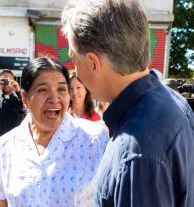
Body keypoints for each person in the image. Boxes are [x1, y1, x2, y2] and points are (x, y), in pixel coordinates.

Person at [61, 0, 194, 206]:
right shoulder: (171, 100)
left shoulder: (136, 151)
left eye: (73, 57)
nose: (74, 68)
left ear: (93, 62)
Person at [0, 57, 109, 206]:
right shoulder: (6, 147)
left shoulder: (95, 140)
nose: (54, 98)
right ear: (25, 99)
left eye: (62, 89)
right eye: (43, 90)